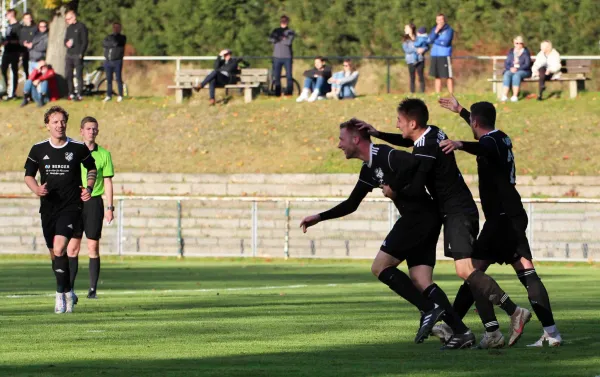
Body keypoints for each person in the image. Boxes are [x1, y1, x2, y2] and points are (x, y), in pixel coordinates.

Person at [359, 98, 532, 348]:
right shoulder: (433, 132)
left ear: (413, 122)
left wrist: (394, 190)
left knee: (466, 271)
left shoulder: (425, 148)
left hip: (457, 212)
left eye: (399, 121)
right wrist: (378, 134)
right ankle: (492, 332)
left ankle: (514, 310)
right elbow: (408, 141)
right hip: (459, 211)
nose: (397, 126)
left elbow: (418, 186)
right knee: (471, 274)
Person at [300, 118, 474, 348]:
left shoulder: (386, 155)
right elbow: (351, 204)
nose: (339, 145)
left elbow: (413, 162)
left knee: (379, 267)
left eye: (341, 139)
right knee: (421, 280)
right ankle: (462, 332)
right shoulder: (368, 169)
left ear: (355, 139)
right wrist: (318, 217)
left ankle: (429, 309)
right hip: (425, 219)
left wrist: (394, 187)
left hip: (419, 218)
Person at [434, 95, 562, 348]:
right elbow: (483, 133)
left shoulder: (490, 142)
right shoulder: (501, 135)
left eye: (470, 121)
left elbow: (485, 146)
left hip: (501, 219)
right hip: (512, 214)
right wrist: (461, 110)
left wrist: (460, 143)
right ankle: (551, 333)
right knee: (526, 271)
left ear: (475, 124)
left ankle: (456, 324)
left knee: (472, 271)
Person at [24, 106, 97, 313]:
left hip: (71, 206)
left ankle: (60, 296)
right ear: (47, 125)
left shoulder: (77, 148)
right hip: (48, 208)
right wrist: (36, 189)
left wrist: (89, 188)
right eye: (55, 122)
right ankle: (67, 291)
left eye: (63, 121)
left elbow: (91, 168)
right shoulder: (38, 149)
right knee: (55, 255)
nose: (60, 125)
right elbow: (28, 175)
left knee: (59, 248)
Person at [67, 116, 115, 301]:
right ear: (81, 131)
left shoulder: (104, 154)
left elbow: (108, 182)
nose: (91, 132)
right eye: (88, 129)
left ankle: (92, 290)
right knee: (72, 248)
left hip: (94, 202)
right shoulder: (71, 152)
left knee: (92, 246)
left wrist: (110, 207)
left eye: (94, 129)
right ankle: (69, 289)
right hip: (74, 202)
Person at [64, 10, 89, 101]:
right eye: (66, 19)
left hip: (77, 55)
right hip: (69, 54)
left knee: (78, 75)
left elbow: (85, 41)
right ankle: (71, 93)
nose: (67, 21)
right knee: (68, 74)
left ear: (74, 17)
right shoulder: (69, 28)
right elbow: (65, 40)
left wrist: (81, 53)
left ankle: (79, 93)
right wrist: (67, 43)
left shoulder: (81, 27)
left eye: (69, 19)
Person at [269, 15, 295, 97]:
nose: (283, 22)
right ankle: (277, 93)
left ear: (287, 22)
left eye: (285, 21)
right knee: (276, 76)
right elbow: (271, 39)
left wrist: (278, 39)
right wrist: (282, 38)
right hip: (277, 57)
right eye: (282, 21)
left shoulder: (290, 31)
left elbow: (288, 42)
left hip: (287, 57)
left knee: (289, 76)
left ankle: (289, 93)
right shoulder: (276, 30)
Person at [501, 36, 532, 103]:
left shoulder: (526, 52)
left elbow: (527, 64)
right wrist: (510, 68)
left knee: (517, 75)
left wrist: (517, 69)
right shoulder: (511, 52)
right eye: (516, 43)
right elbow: (506, 63)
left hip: (524, 71)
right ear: (514, 43)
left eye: (520, 43)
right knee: (507, 74)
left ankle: (515, 96)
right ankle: (504, 96)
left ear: (523, 44)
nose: (518, 45)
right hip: (512, 70)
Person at [428, 14, 454, 94]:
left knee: (448, 75)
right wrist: (435, 32)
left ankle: (451, 93)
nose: (439, 22)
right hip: (435, 54)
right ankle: (437, 93)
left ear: (444, 20)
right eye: (438, 20)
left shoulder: (449, 30)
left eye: (441, 20)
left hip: (444, 55)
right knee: (437, 75)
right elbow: (429, 40)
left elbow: (445, 42)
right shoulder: (434, 29)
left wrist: (434, 41)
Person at [102, 22, 127, 103]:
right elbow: (104, 43)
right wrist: (111, 44)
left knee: (118, 78)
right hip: (108, 61)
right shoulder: (109, 37)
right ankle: (108, 95)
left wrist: (111, 44)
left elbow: (116, 43)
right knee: (109, 79)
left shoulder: (122, 37)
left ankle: (120, 95)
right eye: (114, 27)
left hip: (117, 61)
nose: (116, 29)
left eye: (118, 27)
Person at [1, 9, 22, 100]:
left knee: (14, 71)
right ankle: (4, 90)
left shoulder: (18, 26)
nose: (6, 16)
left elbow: (20, 40)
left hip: (14, 52)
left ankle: (13, 92)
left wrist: (8, 41)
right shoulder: (8, 26)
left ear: (12, 15)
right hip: (6, 52)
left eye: (7, 14)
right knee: (3, 70)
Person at [403, 24, 429, 94]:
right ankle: (412, 92)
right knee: (412, 77)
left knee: (421, 76)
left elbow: (426, 46)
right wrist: (416, 50)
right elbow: (406, 50)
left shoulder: (419, 37)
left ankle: (422, 92)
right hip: (410, 61)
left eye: (406, 28)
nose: (404, 30)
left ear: (411, 29)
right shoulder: (405, 40)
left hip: (420, 59)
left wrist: (423, 49)